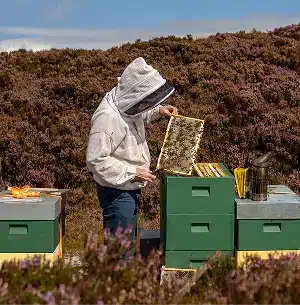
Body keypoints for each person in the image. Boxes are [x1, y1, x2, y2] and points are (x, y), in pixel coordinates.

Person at [86, 57, 178, 257]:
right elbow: (95, 160)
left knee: (126, 245)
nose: (144, 104)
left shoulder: (125, 101)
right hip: (116, 191)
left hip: (128, 186)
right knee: (120, 252)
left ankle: (121, 282)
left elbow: (136, 110)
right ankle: (116, 285)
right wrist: (132, 172)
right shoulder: (107, 118)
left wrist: (158, 111)